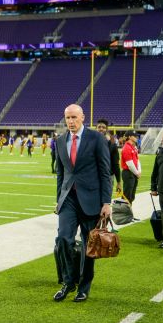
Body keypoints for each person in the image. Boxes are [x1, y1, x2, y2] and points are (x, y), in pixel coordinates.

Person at [50, 104, 114, 303]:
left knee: (89, 246)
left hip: (91, 200)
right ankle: (69, 281)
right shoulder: (60, 141)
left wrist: (106, 202)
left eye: (74, 117)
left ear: (83, 118)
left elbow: (105, 172)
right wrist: (58, 199)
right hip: (68, 199)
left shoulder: (96, 138)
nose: (70, 121)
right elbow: (61, 174)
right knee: (63, 240)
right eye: (67, 118)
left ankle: (84, 287)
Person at [96, 120, 122, 197]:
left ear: (106, 129)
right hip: (94, 176)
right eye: (99, 127)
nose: (101, 129)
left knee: (106, 200)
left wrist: (119, 182)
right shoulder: (91, 142)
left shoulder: (112, 145)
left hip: (108, 176)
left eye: (103, 127)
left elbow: (116, 164)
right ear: (96, 128)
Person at [120, 132, 141, 204]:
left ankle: (128, 212)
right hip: (128, 172)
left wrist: (139, 171)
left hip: (133, 173)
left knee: (131, 196)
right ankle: (124, 213)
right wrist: (137, 173)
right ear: (130, 137)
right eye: (134, 136)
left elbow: (137, 160)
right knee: (127, 195)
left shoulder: (133, 147)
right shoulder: (126, 147)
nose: (136, 137)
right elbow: (129, 164)